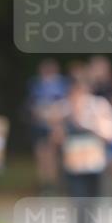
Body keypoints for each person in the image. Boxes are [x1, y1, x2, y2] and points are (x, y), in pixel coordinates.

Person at [49, 77, 112, 223]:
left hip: (95, 167)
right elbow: (56, 137)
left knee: (91, 208)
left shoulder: (98, 108)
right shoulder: (64, 110)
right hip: (74, 168)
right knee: (79, 207)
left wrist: (93, 124)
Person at [26, 58, 69, 193]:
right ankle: (46, 185)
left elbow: (67, 104)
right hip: (40, 126)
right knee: (42, 156)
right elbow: (32, 105)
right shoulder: (36, 84)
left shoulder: (63, 84)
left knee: (55, 156)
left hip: (56, 127)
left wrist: (55, 117)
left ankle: (55, 185)